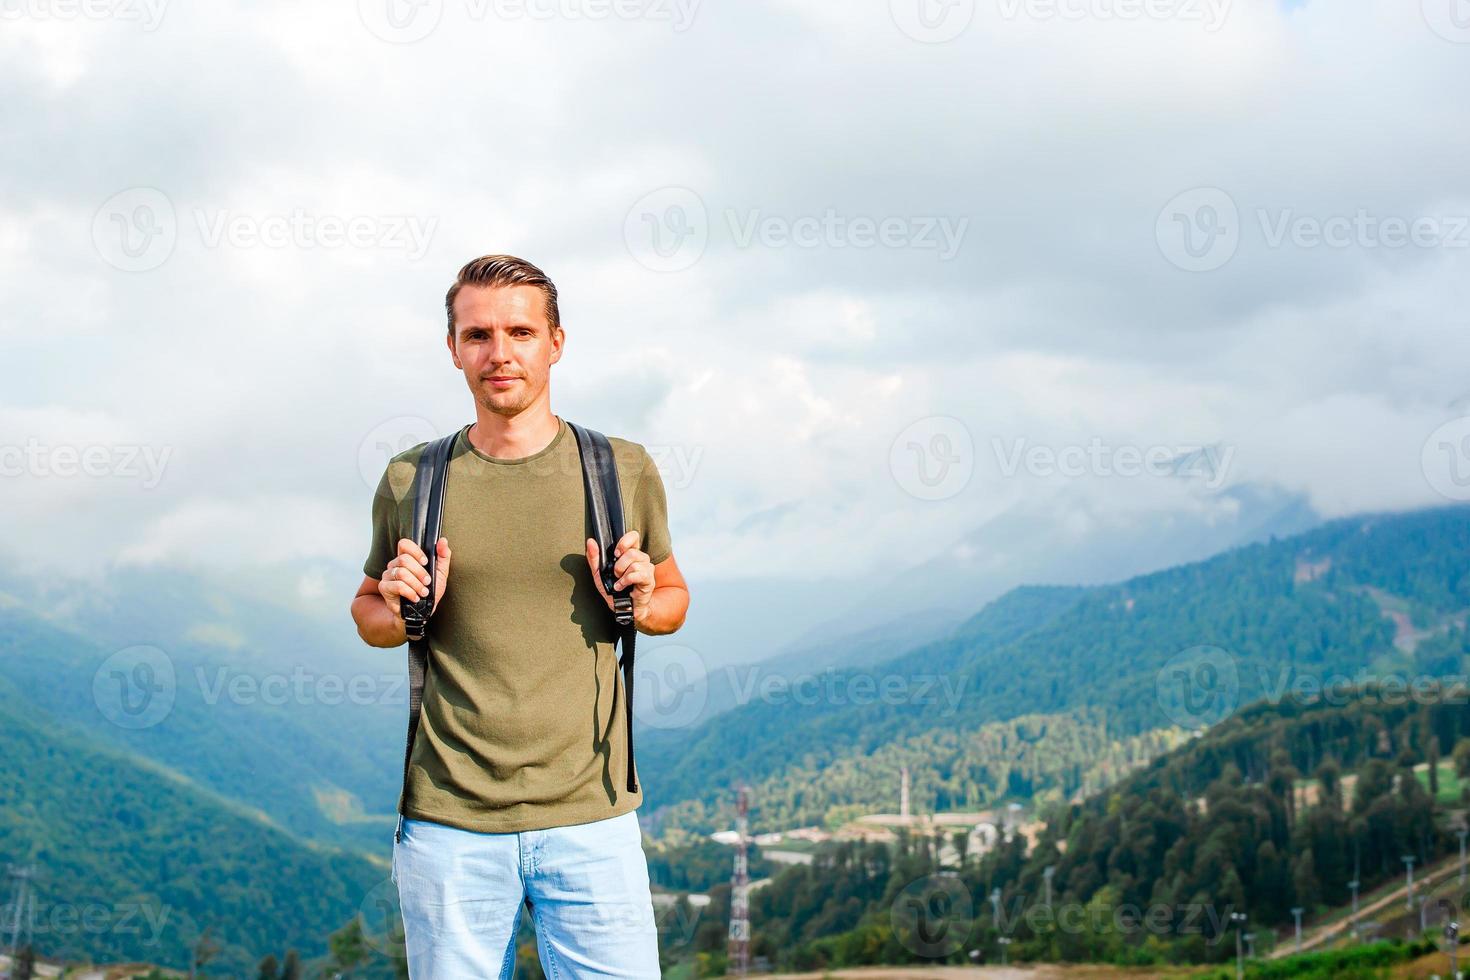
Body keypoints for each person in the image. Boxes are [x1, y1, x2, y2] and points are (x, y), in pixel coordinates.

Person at [350, 254, 691, 978]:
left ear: (556, 342)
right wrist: (400, 604)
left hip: (593, 818)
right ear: (452, 349)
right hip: (449, 824)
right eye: (477, 335)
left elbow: (672, 602)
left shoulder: (619, 469)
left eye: (520, 332)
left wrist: (639, 600)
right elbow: (368, 614)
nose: (499, 354)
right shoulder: (413, 479)